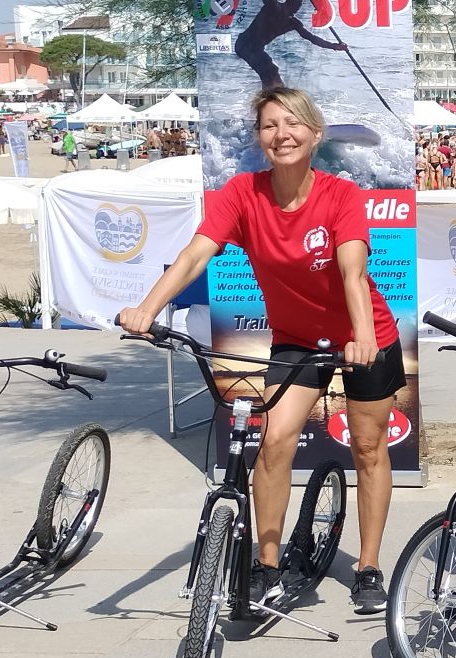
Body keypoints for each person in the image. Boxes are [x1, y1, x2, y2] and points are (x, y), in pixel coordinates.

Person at [118, 87, 402, 615]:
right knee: (273, 442)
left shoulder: (340, 194)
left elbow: (352, 271)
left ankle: (368, 566)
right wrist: (147, 309)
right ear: (258, 137)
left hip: (366, 337)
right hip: (297, 339)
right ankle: (266, 565)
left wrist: (362, 336)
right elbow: (194, 256)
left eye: (293, 124)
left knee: (368, 448)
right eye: (270, 125)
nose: (282, 134)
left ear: (315, 135)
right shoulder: (242, 193)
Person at [233, 0, 347, 89]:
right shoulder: (272, 7)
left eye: (297, 7)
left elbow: (312, 38)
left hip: (255, 49)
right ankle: (272, 99)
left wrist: (334, 46)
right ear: (288, 3)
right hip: (244, 44)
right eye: (294, 5)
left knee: (271, 71)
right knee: (269, 71)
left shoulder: (293, 22)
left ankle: (274, 98)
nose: (295, 9)